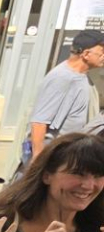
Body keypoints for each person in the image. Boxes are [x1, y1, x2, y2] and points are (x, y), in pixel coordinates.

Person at [21, 30, 102, 168]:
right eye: (102, 53)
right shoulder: (62, 78)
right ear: (86, 54)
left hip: (74, 153)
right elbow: (39, 122)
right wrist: (38, 160)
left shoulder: (82, 76)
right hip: (55, 157)